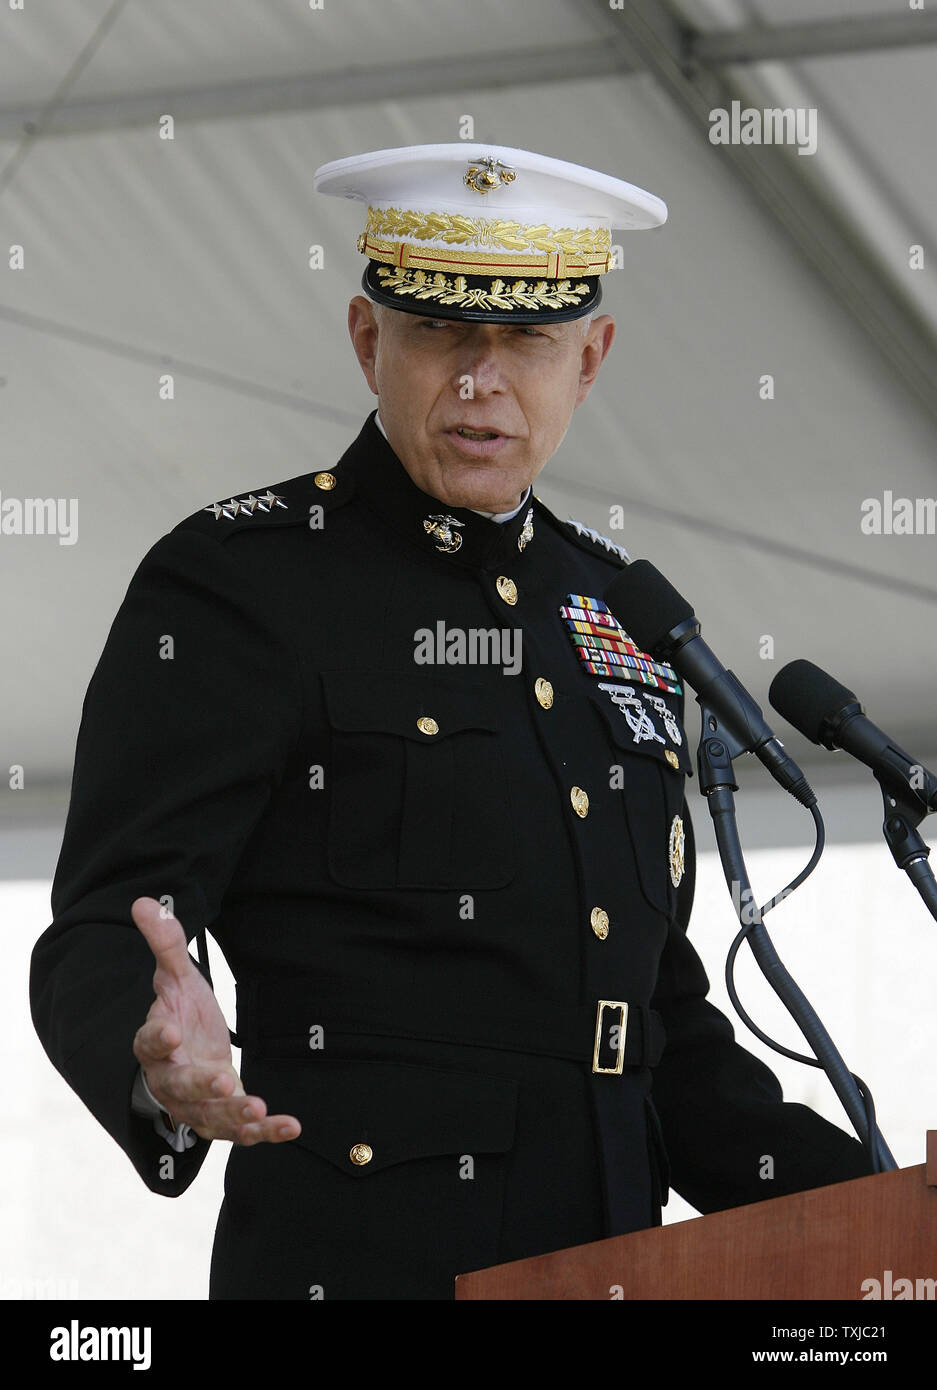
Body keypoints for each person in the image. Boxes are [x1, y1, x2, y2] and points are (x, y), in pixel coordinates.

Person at [29, 143, 873, 1301]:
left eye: (526, 340)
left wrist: (868, 1215)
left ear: (591, 358)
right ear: (369, 342)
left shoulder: (615, 611)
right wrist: (152, 1058)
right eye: (439, 334)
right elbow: (108, 921)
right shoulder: (241, 584)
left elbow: (654, 1029)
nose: (482, 379)